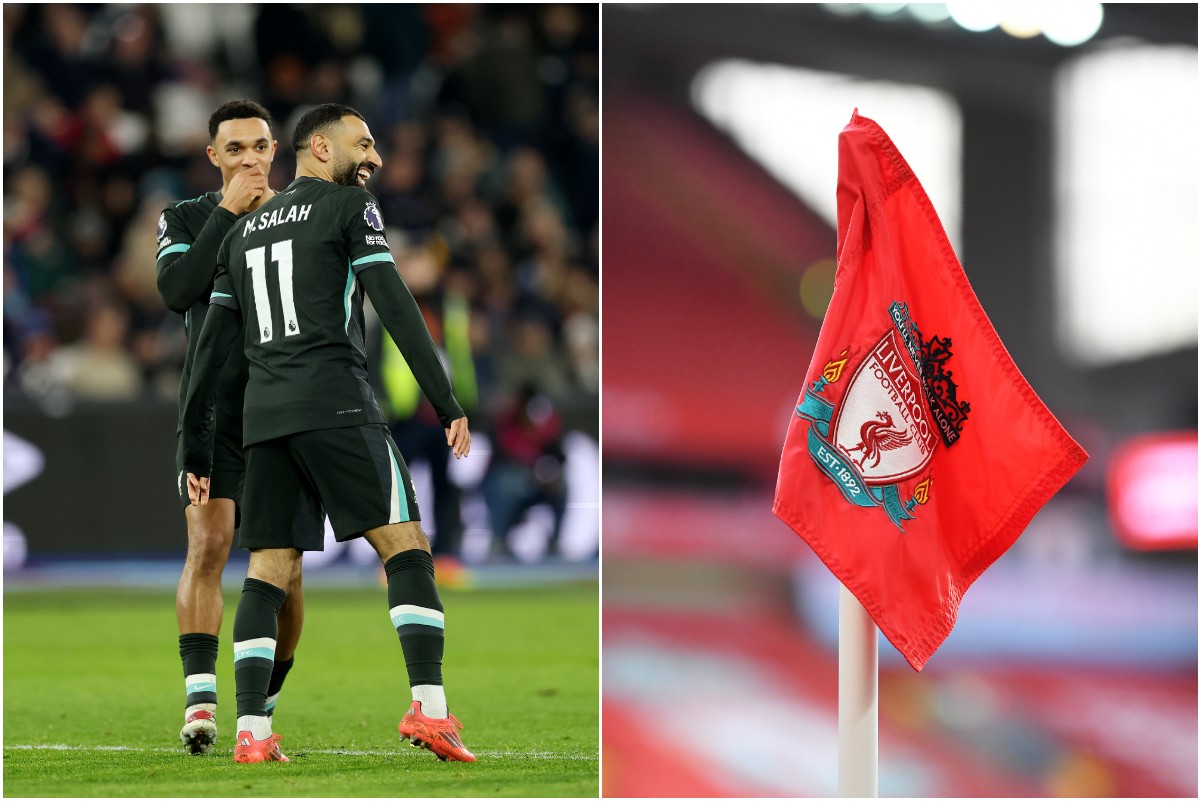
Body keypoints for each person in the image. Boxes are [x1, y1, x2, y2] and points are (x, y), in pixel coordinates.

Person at [180, 103, 476, 765]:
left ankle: (252, 730)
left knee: (268, 571)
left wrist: (197, 447)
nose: (373, 158)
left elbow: (210, 354)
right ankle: (429, 709)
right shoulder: (348, 210)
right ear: (319, 146)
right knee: (405, 545)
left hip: (265, 422)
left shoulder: (243, 232)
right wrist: (444, 398)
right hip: (339, 406)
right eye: (362, 143)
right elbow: (394, 300)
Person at [156, 100, 317, 756]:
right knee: (208, 543)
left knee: (285, 571)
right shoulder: (187, 217)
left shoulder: (302, 217)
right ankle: (200, 701)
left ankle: (266, 699)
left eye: (258, 147)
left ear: (275, 150)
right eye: (235, 149)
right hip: (215, 412)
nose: (249, 159)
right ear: (214, 157)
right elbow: (176, 289)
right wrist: (227, 213)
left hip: (286, 410)